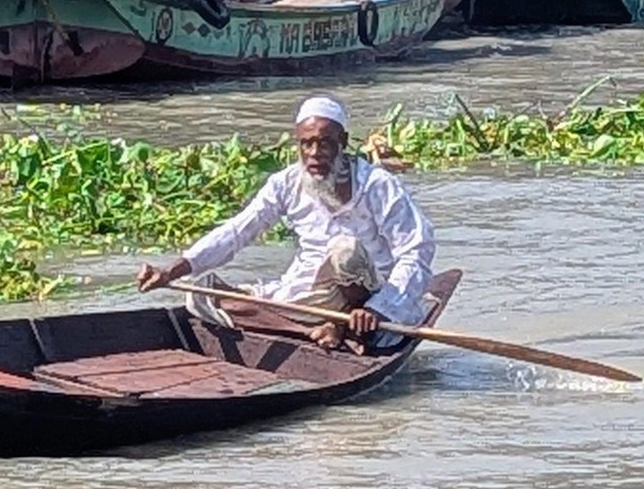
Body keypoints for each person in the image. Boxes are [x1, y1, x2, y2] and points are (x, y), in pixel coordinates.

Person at [138, 94, 435, 353]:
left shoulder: (377, 184)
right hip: (309, 294)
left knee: (345, 250)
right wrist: (172, 270)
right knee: (199, 293)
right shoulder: (286, 183)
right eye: (306, 145)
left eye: (324, 144)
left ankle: (346, 320)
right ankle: (323, 327)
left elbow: (417, 249)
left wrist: (378, 307)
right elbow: (238, 231)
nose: (314, 154)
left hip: (371, 292)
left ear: (342, 142)